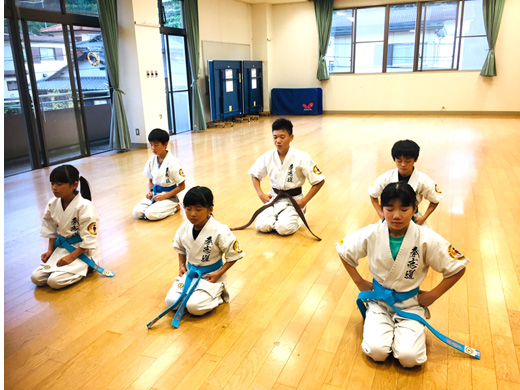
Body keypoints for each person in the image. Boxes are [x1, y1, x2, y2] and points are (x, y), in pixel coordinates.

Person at [337, 182, 469, 367]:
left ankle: (408, 330)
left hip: (410, 304)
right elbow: (343, 250)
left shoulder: (426, 237)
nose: (396, 215)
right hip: (379, 302)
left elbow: (458, 267)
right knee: (377, 352)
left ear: (415, 208)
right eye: (389, 209)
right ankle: (381, 325)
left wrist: (433, 295)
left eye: (404, 209)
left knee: (410, 358)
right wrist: (358, 281)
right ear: (381, 209)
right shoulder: (372, 233)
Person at [164, 186, 244, 327]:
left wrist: (218, 273)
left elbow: (234, 255)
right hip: (191, 273)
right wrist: (181, 265)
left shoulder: (220, 230)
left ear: (210, 209)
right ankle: (197, 295)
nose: (192, 214)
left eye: (198, 209)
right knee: (171, 302)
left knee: (195, 307)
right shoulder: (184, 227)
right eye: (188, 209)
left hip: (211, 276)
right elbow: (180, 247)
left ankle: (218, 295)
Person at [242, 118, 325, 237]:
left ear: (291, 137)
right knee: (262, 226)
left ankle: (298, 216)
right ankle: (280, 217)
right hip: (274, 197)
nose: (278, 141)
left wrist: (304, 201)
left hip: (294, 200)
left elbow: (319, 180)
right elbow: (255, 174)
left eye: (282, 137)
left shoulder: (301, 157)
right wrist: (261, 194)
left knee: (283, 228)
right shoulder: (268, 156)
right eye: (275, 137)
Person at [31, 165, 100, 289]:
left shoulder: (85, 206)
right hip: (61, 248)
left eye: (59, 184)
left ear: (74, 185)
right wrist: (50, 250)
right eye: (52, 184)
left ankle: (87, 267)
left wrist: (71, 257)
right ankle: (66, 269)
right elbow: (50, 229)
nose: (54, 188)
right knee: (36, 278)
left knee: (54, 281)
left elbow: (90, 237)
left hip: (81, 250)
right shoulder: (53, 203)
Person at [369, 140, 442, 226]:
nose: (403, 164)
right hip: (390, 218)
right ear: (394, 159)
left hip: (413, 219)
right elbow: (373, 194)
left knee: (427, 238)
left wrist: (423, 218)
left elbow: (435, 200)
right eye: (399, 161)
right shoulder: (386, 177)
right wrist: (380, 212)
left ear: (415, 159)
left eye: (408, 161)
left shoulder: (423, 180)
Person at [132, 128, 186, 221]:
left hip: (170, 196)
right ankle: (154, 207)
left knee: (150, 214)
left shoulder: (173, 162)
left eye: (156, 145)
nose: (153, 148)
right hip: (155, 194)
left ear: (165, 145)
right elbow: (150, 180)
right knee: (136, 212)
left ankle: (175, 207)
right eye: (151, 145)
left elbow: (182, 186)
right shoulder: (151, 161)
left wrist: (165, 196)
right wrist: (149, 192)